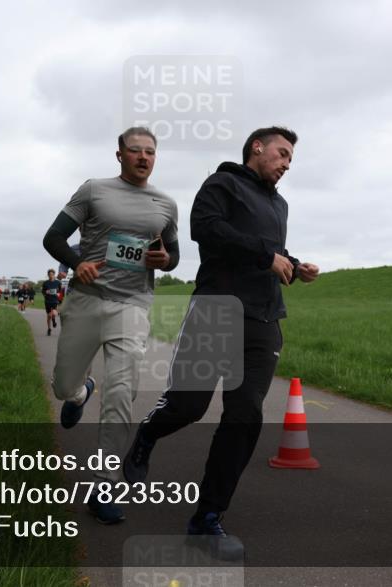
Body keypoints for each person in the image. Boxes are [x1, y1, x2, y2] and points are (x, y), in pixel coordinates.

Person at [123, 126, 319, 559]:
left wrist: (294, 264)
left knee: (245, 415)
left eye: (291, 159)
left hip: (265, 319)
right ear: (257, 148)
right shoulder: (221, 183)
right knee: (189, 406)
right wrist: (266, 256)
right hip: (217, 310)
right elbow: (206, 232)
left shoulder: (278, 203)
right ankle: (147, 436)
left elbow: (269, 251)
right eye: (282, 154)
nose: (287, 164)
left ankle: (207, 517)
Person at [42, 126, 180, 524]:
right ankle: (79, 393)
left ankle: (104, 483)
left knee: (121, 393)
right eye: (135, 151)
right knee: (62, 385)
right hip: (87, 300)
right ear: (119, 155)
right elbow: (54, 237)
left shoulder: (166, 205)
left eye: (150, 152)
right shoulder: (94, 191)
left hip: (132, 305)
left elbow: (172, 255)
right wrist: (76, 263)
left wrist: (163, 261)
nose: (143, 157)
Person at [42, 269, 62, 336]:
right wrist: (45, 292)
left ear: (54, 275)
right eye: (49, 274)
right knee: (48, 315)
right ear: (48, 275)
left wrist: (59, 295)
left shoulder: (58, 282)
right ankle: (49, 329)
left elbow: (60, 291)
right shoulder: (45, 283)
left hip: (55, 300)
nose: (51, 276)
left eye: (52, 274)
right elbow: (43, 291)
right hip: (47, 300)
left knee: (54, 313)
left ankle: (53, 320)